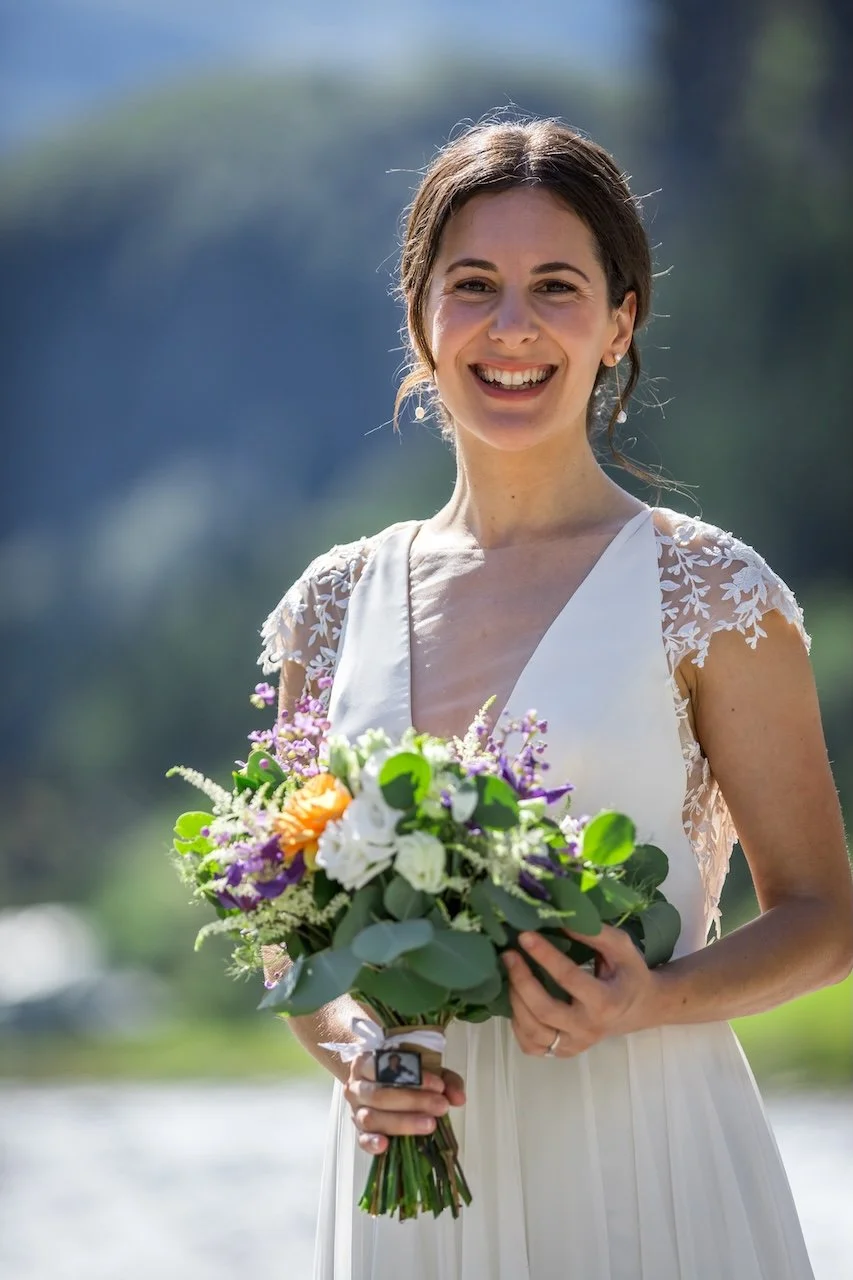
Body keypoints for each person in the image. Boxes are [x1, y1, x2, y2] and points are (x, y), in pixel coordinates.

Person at [259, 115, 853, 1279]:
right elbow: (289, 935)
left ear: (619, 319)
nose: (511, 326)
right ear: (421, 318)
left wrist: (649, 999)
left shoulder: (709, 592)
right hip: (405, 1194)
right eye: (472, 284)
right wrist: (351, 1049)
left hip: (645, 1161)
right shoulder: (329, 607)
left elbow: (824, 913)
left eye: (555, 286)